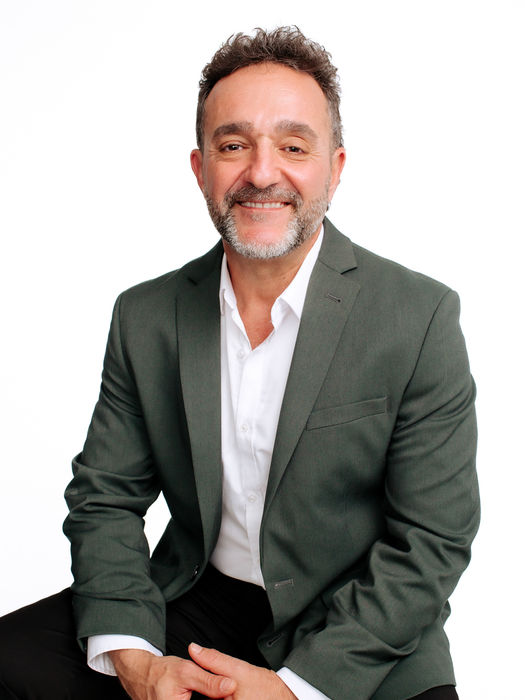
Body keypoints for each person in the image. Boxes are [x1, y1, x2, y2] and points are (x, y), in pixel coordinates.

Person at [0, 27, 479, 700]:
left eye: (293, 146)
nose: (260, 173)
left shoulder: (418, 316)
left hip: (359, 623)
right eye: (233, 146)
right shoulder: (146, 316)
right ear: (201, 169)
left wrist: (295, 689)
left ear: (335, 168)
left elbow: (432, 539)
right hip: (197, 601)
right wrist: (138, 661)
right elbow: (104, 499)